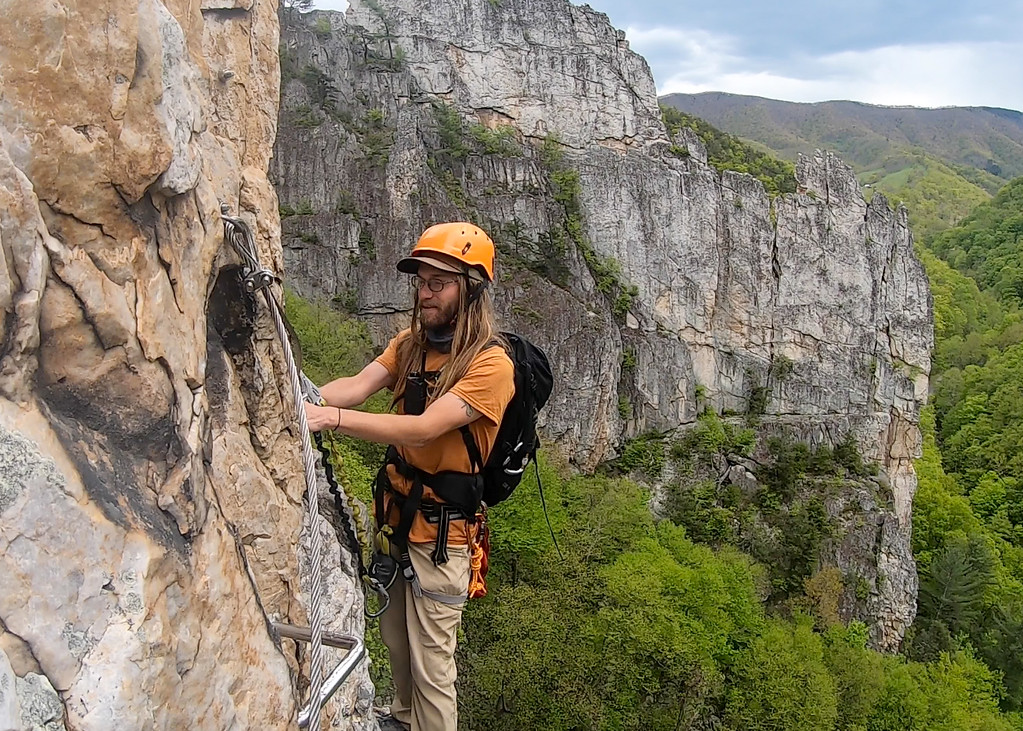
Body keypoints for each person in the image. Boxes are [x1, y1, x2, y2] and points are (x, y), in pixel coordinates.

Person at [304, 222, 515, 731]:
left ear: (472, 288)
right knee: (398, 644)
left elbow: (422, 430)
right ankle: (401, 722)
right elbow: (355, 388)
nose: (424, 293)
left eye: (438, 282)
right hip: (398, 518)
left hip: (444, 537)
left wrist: (329, 420)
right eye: (421, 281)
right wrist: (299, 392)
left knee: (433, 668)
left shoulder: (491, 367)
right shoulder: (410, 345)